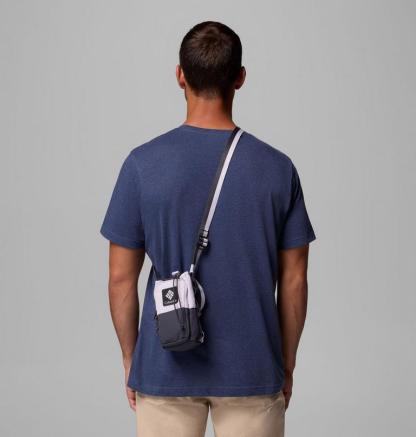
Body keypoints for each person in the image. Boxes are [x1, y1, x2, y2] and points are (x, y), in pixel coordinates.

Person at [100, 20, 316, 437]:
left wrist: (132, 359)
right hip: (253, 368)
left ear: (180, 75)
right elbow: (294, 280)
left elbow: (120, 279)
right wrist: (286, 364)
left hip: (165, 366)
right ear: (240, 78)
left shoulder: (142, 165)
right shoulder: (278, 169)